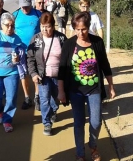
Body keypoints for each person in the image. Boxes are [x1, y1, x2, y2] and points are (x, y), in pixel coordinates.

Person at [58, 11, 116, 161]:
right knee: (78, 122)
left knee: (95, 122)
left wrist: (111, 86)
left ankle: (93, 145)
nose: (80, 32)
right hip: (75, 90)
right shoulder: (69, 44)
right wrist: (61, 91)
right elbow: (62, 69)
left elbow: (105, 65)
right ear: (74, 28)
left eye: (83, 29)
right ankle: (80, 153)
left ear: (88, 27)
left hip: (94, 89)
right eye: (77, 29)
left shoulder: (97, 42)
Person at [0, 12, 27, 133]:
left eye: (12, 26)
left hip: (11, 72)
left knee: (11, 97)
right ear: (2, 25)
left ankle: (7, 120)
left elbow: (19, 55)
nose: (10, 28)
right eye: (7, 25)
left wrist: (17, 59)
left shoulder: (17, 38)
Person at [27, 12, 67, 136]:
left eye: (48, 26)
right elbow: (30, 58)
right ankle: (46, 123)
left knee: (54, 97)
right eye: (42, 26)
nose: (45, 29)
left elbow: (68, 57)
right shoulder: (36, 39)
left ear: (53, 26)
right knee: (44, 99)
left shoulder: (61, 38)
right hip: (42, 75)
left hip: (58, 75)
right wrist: (33, 74)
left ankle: (54, 110)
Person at [12, 0, 41, 110]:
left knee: (36, 73)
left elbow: (43, 32)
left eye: (27, 6)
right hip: (20, 50)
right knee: (23, 75)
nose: (24, 9)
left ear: (31, 4)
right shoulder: (15, 15)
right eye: (22, 6)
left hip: (35, 49)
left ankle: (37, 97)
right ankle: (27, 97)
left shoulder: (38, 14)